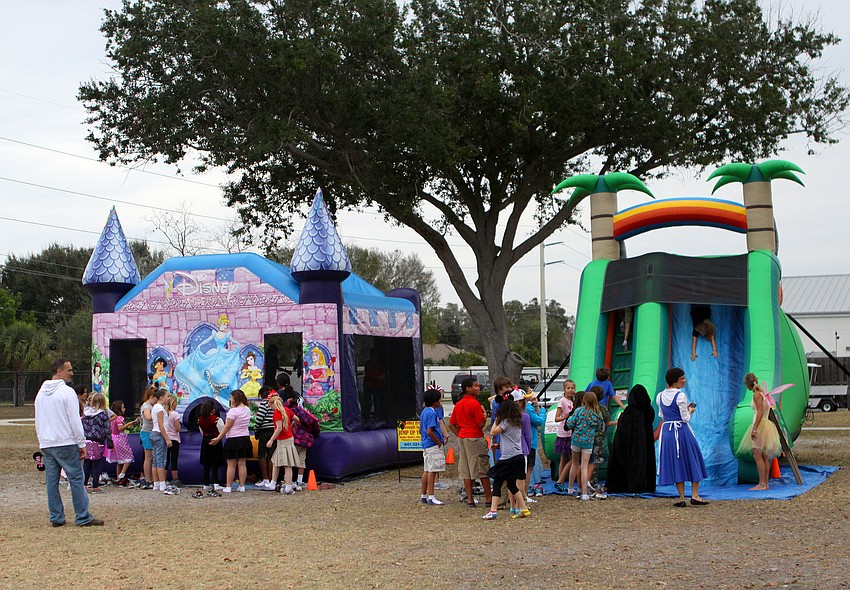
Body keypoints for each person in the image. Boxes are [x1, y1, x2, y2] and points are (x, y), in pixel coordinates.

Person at [34, 358, 103, 527]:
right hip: (65, 441)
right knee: (76, 479)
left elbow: (38, 419)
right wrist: (81, 443)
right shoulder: (67, 392)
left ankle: (56, 517)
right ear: (59, 371)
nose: (72, 373)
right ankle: (82, 516)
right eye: (69, 370)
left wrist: (41, 440)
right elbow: (74, 420)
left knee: (52, 482)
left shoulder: (41, 393)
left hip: (47, 442)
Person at [656, 368, 709, 507]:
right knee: (692, 458)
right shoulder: (680, 396)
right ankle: (695, 495)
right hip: (681, 430)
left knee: (676, 461)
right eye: (683, 378)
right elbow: (685, 418)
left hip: (667, 431)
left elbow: (662, 414)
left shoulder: (660, 396)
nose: (685, 380)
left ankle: (681, 497)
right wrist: (690, 410)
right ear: (677, 380)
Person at [481, 395, 530, 520]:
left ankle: (493, 510)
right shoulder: (518, 421)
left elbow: (493, 432)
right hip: (518, 456)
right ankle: (523, 508)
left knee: (497, 481)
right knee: (512, 485)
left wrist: (497, 419)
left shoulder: (505, 422)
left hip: (508, 457)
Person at [448, 377, 492, 509]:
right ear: (468, 388)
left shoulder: (459, 404)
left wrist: (460, 434)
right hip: (475, 437)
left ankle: (470, 500)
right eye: (475, 386)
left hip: (463, 438)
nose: (478, 388)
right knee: (482, 467)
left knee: (466, 469)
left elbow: (451, 424)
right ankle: (489, 499)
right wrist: (484, 415)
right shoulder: (474, 404)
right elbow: (480, 423)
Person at [605, 384, 657, 494]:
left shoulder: (629, 412)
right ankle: (645, 485)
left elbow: (622, 430)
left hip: (628, 444)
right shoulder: (649, 410)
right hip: (645, 443)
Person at [737, 373, 782, 491]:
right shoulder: (763, 394)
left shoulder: (757, 395)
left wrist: (755, 428)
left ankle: (762, 483)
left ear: (747, 384)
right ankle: (765, 483)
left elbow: (760, 412)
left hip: (761, 424)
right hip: (766, 424)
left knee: (757, 454)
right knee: (764, 455)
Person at [566, 389, 605, 501]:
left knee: (574, 464)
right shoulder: (597, 414)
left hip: (576, 440)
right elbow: (599, 427)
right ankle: (584, 493)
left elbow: (570, 423)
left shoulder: (579, 411)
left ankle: (569, 488)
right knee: (584, 466)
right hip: (588, 442)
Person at [211, 389, 252, 492]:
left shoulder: (232, 411)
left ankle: (228, 486)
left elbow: (227, 426)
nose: (230, 399)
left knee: (231, 464)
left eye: (231, 397)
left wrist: (218, 438)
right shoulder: (247, 409)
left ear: (235, 398)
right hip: (245, 438)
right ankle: (242, 486)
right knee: (242, 464)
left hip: (233, 439)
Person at [282, 386, 320, 491]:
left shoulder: (289, 410)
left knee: (289, 460)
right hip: (307, 439)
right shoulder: (304, 412)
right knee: (301, 460)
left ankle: (288, 481)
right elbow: (315, 423)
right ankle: (300, 480)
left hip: (295, 438)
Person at [266, 392, 300, 494]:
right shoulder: (287, 410)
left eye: (270, 406)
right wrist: (292, 424)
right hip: (288, 439)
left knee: (287, 464)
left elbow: (279, 428)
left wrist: (271, 440)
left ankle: (288, 485)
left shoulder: (277, 413)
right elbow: (297, 419)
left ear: (273, 404)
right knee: (276, 461)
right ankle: (273, 482)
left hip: (283, 441)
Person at [587, 386, 617, 499]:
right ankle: (593, 481)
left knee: (586, 459)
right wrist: (616, 422)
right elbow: (607, 422)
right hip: (598, 437)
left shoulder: (585, 409)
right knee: (595, 459)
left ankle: (584, 480)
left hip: (586, 437)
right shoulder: (602, 408)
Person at [420, 388, 447, 505]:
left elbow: (421, 430)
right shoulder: (432, 413)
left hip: (426, 444)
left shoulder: (424, 411)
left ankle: (424, 495)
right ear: (435, 401)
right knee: (433, 470)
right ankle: (431, 496)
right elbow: (430, 431)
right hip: (433, 444)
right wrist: (439, 442)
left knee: (427, 469)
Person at [81, 392, 110, 493]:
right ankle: (95, 485)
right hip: (97, 440)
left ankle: (84, 484)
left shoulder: (86, 413)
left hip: (86, 439)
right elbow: (107, 428)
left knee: (87, 463)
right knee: (96, 464)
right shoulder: (102, 414)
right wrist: (109, 441)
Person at [149, 389, 176, 495]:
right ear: (161, 397)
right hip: (159, 434)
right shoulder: (160, 409)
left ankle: (156, 483)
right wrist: (167, 439)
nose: (168, 398)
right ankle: (162, 484)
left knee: (155, 459)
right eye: (167, 396)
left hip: (154, 433)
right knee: (161, 460)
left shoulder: (155, 407)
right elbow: (161, 425)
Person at [106, 400, 137, 485]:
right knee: (129, 456)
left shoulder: (112, 419)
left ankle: (118, 476)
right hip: (120, 438)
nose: (124, 409)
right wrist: (129, 423)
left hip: (113, 438)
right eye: (123, 407)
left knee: (119, 460)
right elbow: (120, 428)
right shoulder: (119, 418)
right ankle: (122, 474)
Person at [553, 379, 576, 492]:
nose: (571, 390)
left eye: (572, 388)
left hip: (572, 432)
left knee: (567, 457)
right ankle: (560, 480)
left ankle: (561, 480)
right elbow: (556, 418)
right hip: (564, 432)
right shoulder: (562, 401)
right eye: (568, 388)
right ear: (564, 389)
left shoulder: (574, 401)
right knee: (566, 457)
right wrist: (565, 416)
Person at [197, 399, 224, 492]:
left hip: (205, 441)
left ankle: (206, 483)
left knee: (206, 463)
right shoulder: (217, 419)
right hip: (215, 440)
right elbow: (222, 430)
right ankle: (216, 483)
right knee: (215, 462)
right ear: (213, 410)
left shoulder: (199, 419)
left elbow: (201, 431)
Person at [524, 388, 546, 498]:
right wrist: (543, 411)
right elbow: (539, 421)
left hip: (524, 443)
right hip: (530, 442)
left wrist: (536, 405)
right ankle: (526, 491)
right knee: (528, 468)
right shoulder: (527, 408)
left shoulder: (525, 407)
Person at [254, 386, 277, 489]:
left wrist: (256, 430)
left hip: (265, 432)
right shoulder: (276, 403)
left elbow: (259, 419)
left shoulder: (264, 403)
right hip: (274, 431)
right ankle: (273, 479)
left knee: (262, 455)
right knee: (272, 456)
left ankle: (265, 478)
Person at [138, 385, 157, 490]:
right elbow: (148, 417)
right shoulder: (146, 406)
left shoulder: (151, 406)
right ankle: (148, 479)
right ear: (151, 396)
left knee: (151, 457)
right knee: (148, 457)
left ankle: (151, 478)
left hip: (150, 432)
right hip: (146, 432)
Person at [163, 395, 183, 487]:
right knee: (174, 459)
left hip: (165, 437)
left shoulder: (164, 413)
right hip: (174, 438)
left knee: (165, 460)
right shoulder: (175, 414)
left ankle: (164, 479)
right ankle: (175, 479)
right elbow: (178, 428)